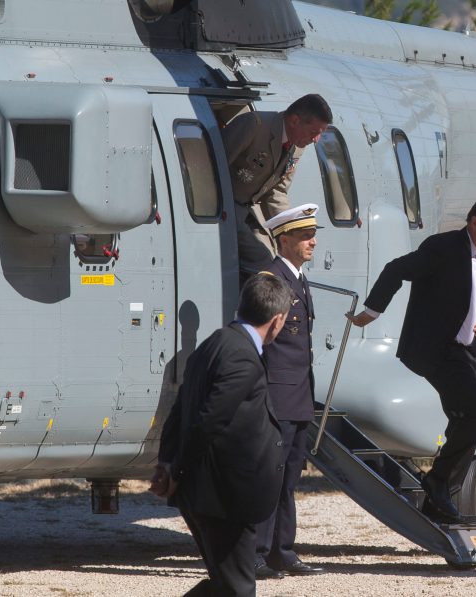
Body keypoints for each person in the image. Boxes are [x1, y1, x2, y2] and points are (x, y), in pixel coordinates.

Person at [347, 196, 476, 524]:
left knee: (465, 421)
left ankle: (440, 499)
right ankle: (437, 483)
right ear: (474, 222)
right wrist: (372, 311)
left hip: (469, 356)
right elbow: (396, 269)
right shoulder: (443, 248)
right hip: (438, 352)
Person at [151, 273, 295, 597]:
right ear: (277, 320)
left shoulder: (214, 343)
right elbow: (208, 421)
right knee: (237, 590)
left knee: (225, 585)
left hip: (208, 493)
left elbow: (179, 410)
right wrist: (177, 470)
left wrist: (167, 463)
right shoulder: (242, 356)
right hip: (223, 497)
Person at [254, 204, 325, 578]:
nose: (312, 241)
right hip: (277, 397)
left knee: (289, 478)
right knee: (269, 477)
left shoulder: (296, 278)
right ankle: (256, 552)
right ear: (285, 239)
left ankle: (283, 550)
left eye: (313, 234)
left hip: (298, 395)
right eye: (304, 235)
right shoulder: (270, 279)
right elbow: (256, 340)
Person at [222, 94, 332, 273]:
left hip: (250, 213)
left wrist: (291, 230)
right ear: (295, 121)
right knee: (263, 261)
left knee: (278, 258)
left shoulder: (297, 145)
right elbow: (213, 167)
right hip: (226, 208)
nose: (316, 140)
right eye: (314, 132)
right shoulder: (254, 126)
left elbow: (277, 191)